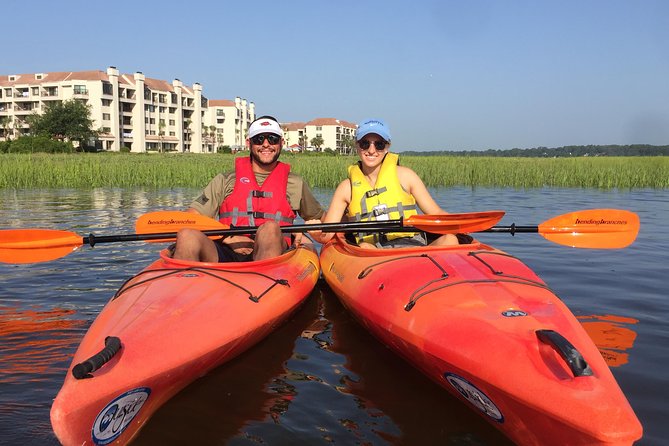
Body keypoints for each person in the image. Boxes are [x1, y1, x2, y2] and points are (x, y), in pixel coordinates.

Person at [172, 115, 325, 262]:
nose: (266, 144)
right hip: (227, 250)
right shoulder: (225, 180)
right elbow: (192, 218)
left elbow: (320, 218)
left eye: (272, 139)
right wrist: (227, 237)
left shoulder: (295, 183)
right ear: (248, 143)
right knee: (187, 236)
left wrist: (296, 230)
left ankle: (266, 284)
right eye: (259, 139)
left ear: (281, 143)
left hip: (274, 252)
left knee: (270, 229)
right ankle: (184, 283)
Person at [310, 118, 465, 249]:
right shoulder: (346, 188)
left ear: (387, 147)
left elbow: (436, 214)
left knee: (450, 239)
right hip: (374, 251)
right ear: (357, 145)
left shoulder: (406, 176)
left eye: (379, 144)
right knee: (365, 246)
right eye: (365, 143)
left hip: (413, 246)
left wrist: (461, 225)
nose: (371, 150)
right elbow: (327, 234)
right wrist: (317, 233)